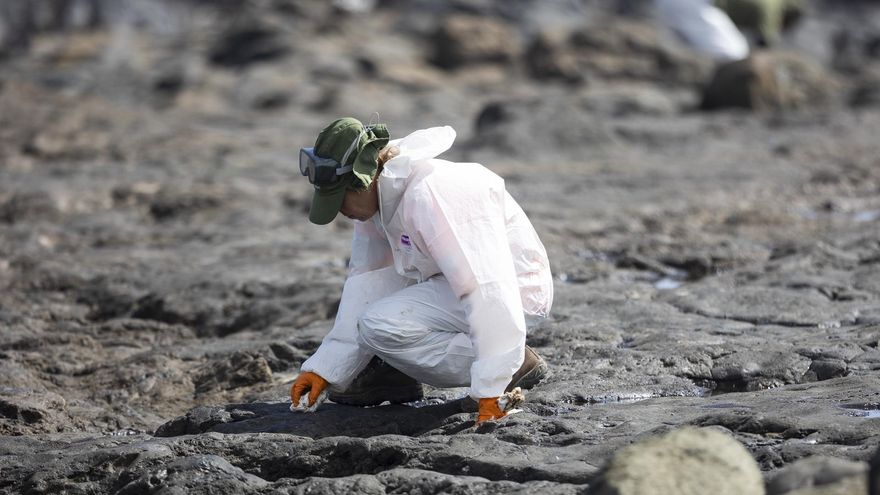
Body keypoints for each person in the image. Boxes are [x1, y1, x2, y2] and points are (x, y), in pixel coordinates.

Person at [289, 117, 554, 424]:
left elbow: (486, 287)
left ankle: (516, 364)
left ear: (365, 177)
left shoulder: (433, 194)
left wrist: (491, 387)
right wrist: (325, 368)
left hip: (513, 292)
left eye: (339, 197)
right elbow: (369, 281)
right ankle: (396, 368)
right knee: (376, 322)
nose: (338, 210)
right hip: (448, 284)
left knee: (380, 325)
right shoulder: (378, 202)